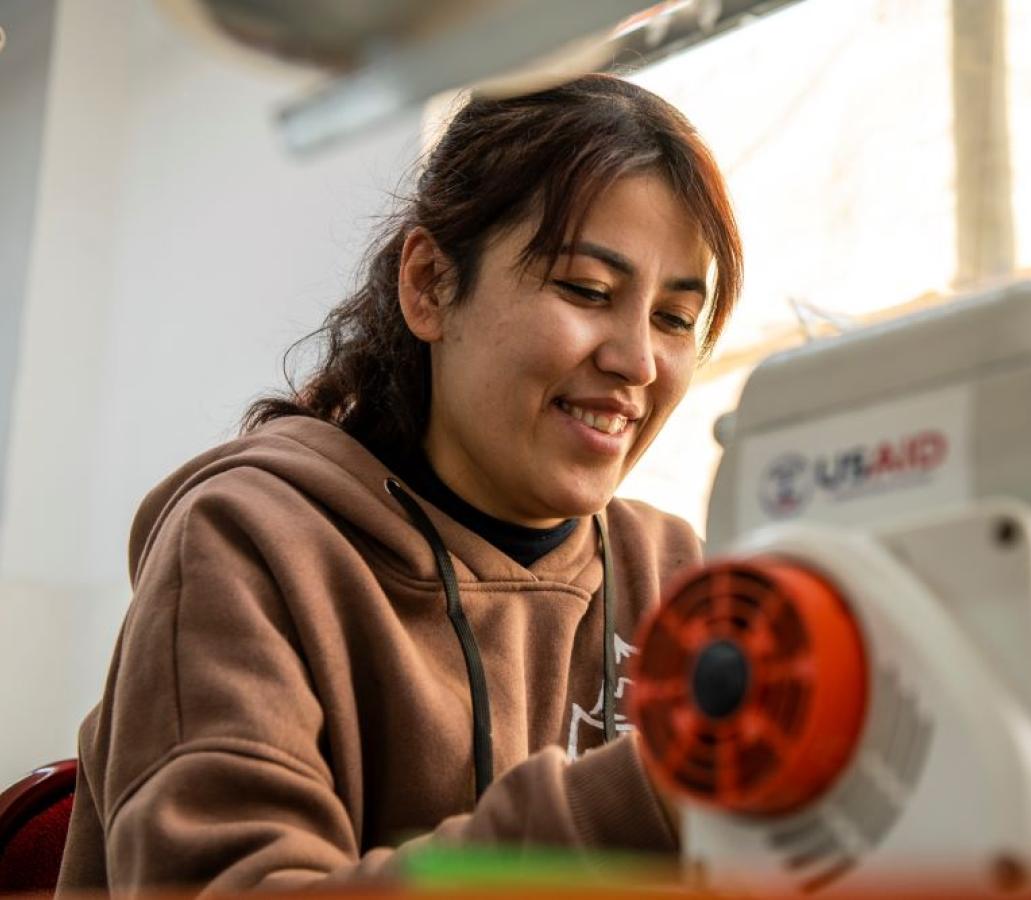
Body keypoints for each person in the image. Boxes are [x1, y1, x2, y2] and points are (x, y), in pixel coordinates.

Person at [56, 73, 743, 893]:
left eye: (673, 319)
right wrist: (646, 803)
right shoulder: (250, 545)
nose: (636, 361)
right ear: (429, 286)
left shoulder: (675, 576)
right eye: (586, 291)